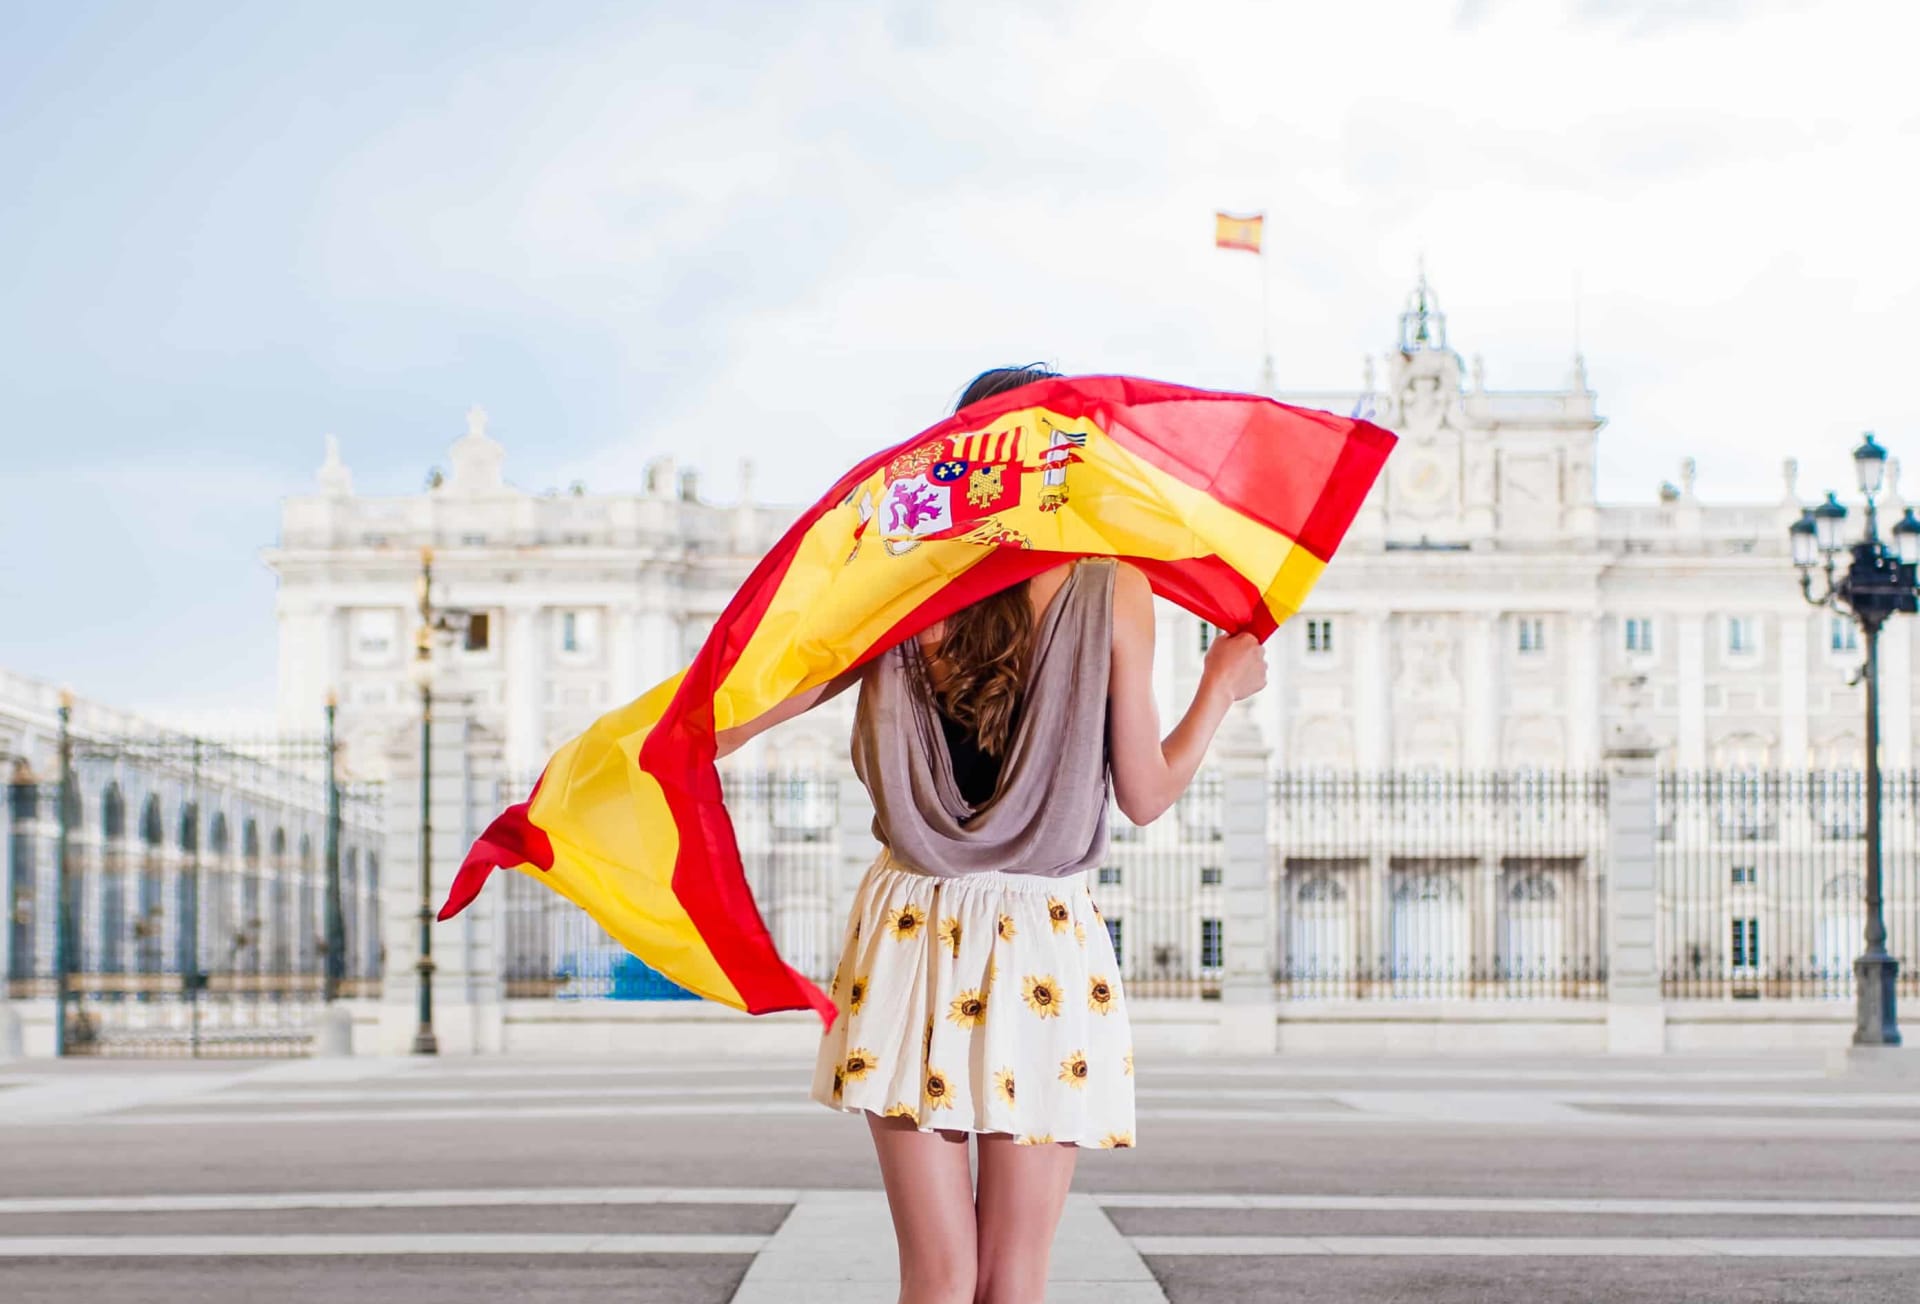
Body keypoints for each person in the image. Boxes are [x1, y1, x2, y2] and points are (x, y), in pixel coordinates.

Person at [714, 364, 1268, 1304]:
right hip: (1044, 937)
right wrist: (1219, 689)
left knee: (934, 1275)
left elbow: (750, 707)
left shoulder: (896, 586)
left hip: (908, 934)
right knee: (1015, 1278)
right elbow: (1145, 794)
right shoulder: (1111, 588)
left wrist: (653, 747)